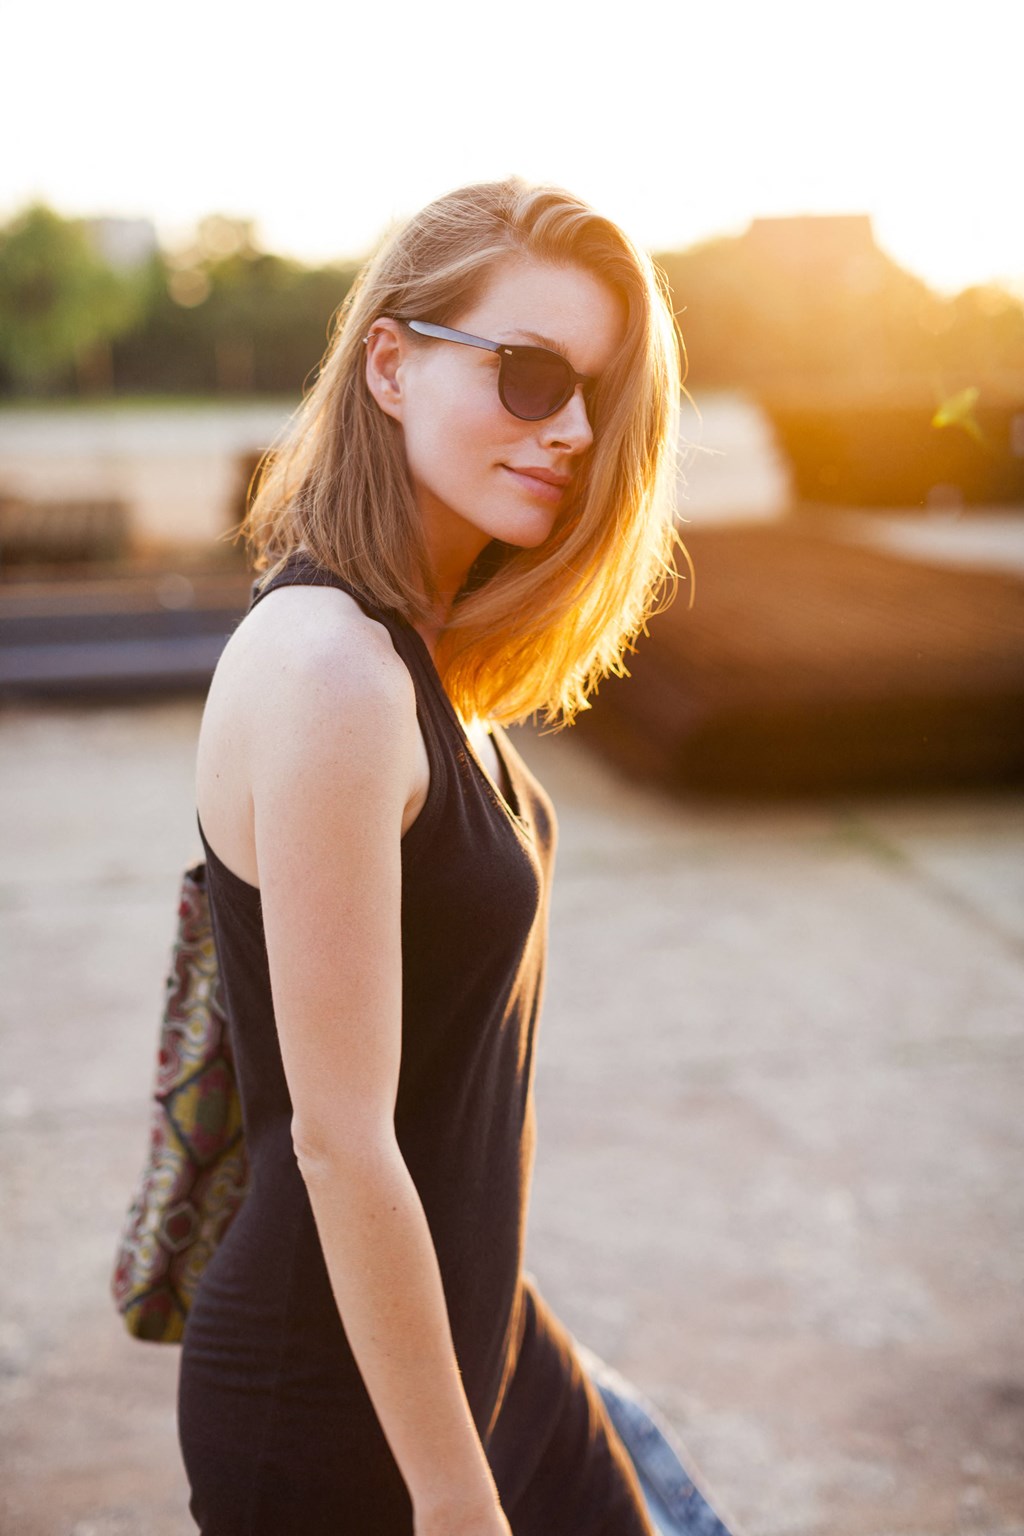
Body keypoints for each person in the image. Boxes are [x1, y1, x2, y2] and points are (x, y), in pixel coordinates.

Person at [177, 176, 733, 1535]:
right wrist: (453, 1499)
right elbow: (343, 1140)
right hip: (340, 1416)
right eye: (533, 376)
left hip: (480, 1344)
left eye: (602, 397)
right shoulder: (328, 671)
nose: (577, 433)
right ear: (390, 362)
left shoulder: (408, 651)